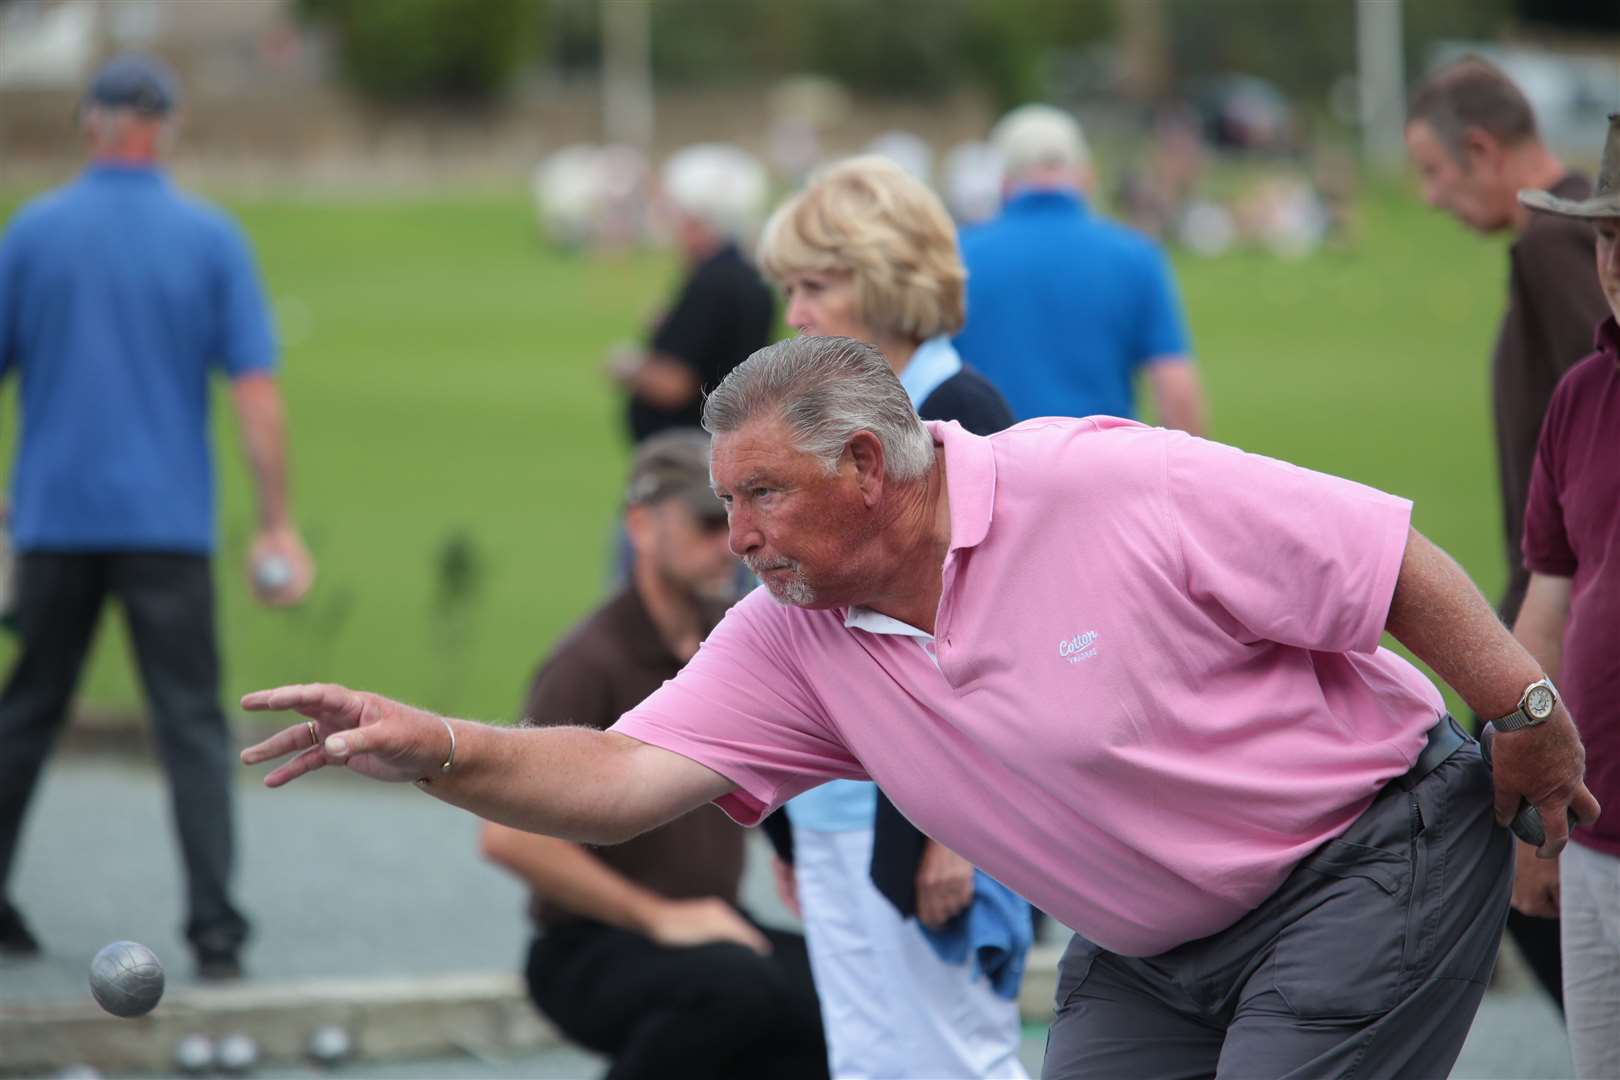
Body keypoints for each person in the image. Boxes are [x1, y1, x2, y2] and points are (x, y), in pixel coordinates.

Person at [241, 334, 1598, 1078]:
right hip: (1158, 950)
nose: (737, 535)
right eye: (724, 504)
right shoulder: (791, 635)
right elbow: (615, 775)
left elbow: (1384, 562)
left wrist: (1526, 711)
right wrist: (445, 749)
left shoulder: (1102, 486)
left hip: (1364, 861)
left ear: (873, 468)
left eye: (763, 495)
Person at [0, 55, 313, 979]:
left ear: (89, 124)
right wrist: (276, 524)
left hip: (54, 520)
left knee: (25, 714)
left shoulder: (33, 232)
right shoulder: (209, 238)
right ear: (166, 127)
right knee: (190, 728)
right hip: (166, 526)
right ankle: (215, 933)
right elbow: (256, 400)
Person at [753, 155, 1027, 1079]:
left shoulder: (963, 414)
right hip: (835, 811)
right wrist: (790, 823)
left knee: (958, 1060)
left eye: (815, 284)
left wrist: (958, 831)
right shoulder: (822, 421)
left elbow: (995, 635)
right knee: (867, 1065)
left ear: (883, 279)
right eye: (789, 286)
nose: (795, 311)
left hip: (929, 816)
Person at [480, 429, 826, 1080]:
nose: (727, 539)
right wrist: (660, 917)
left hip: (716, 927)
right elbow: (507, 838)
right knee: (733, 991)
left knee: (834, 1002)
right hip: (589, 944)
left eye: (735, 513)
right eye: (705, 519)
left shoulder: (734, 631)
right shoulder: (590, 659)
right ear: (640, 524)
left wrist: (793, 850)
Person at [1405, 56, 1610, 1010]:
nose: (1432, 197)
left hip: (1563, 588)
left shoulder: (1549, 251)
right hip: (1553, 584)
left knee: (1514, 852)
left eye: (1436, 172)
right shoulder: (1552, 244)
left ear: (1481, 149)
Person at [1512, 113, 1620, 1078]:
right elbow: (1548, 603)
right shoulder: (1582, 395)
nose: (1617, 258)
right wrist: (1533, 807)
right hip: (1597, 832)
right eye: (1609, 234)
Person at [954, 104, 1206, 434]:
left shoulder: (955, 256)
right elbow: (1176, 392)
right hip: (1104, 471)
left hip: (989, 472)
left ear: (1003, 180)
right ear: (1086, 174)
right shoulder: (1135, 256)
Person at [606, 144, 776, 444]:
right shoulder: (750, 278)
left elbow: (675, 384)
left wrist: (628, 366)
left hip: (690, 451)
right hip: (726, 438)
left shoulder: (711, 284)